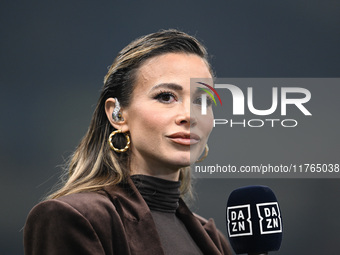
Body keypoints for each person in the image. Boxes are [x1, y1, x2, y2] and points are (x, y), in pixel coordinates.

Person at [24, 29, 232, 255]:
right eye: (166, 96)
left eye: (202, 100)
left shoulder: (213, 240)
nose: (190, 116)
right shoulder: (73, 217)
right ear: (118, 114)